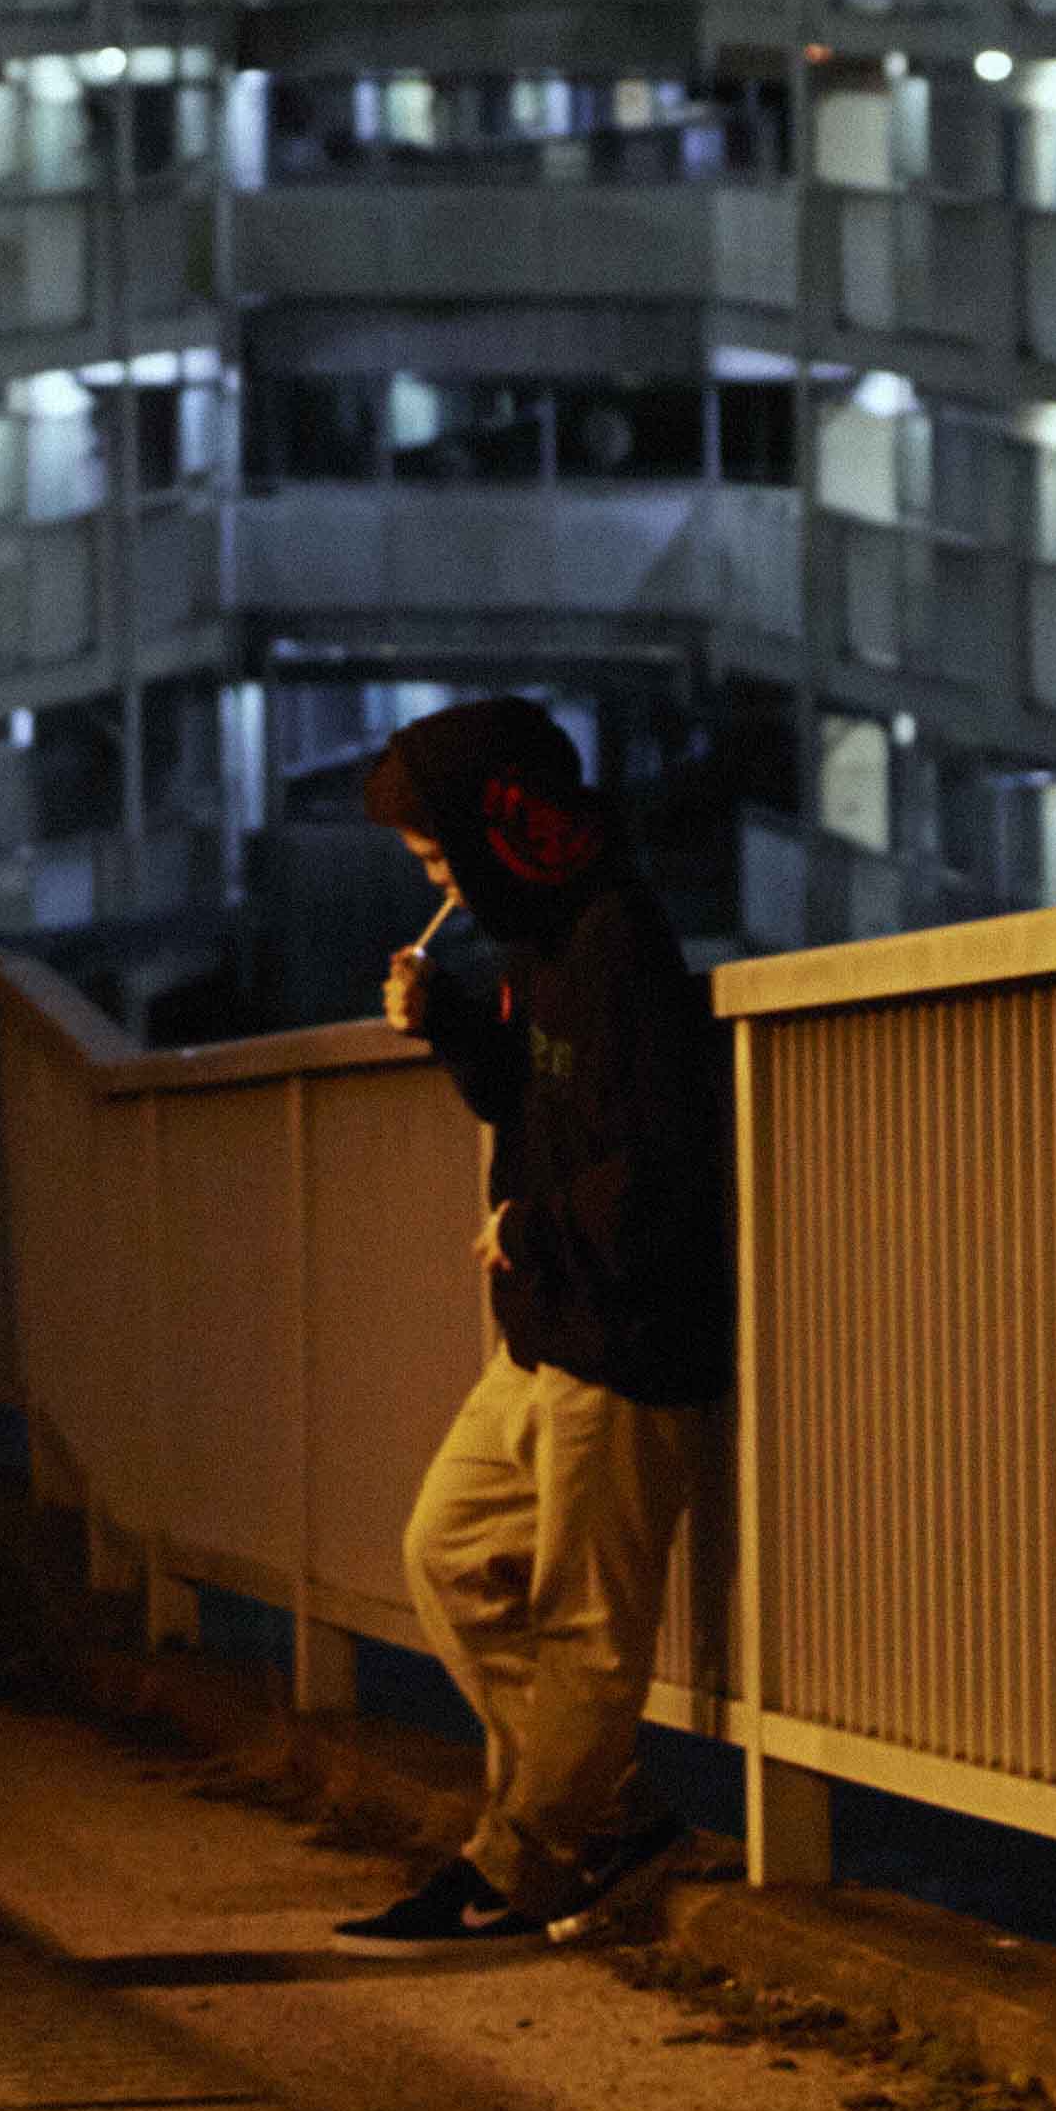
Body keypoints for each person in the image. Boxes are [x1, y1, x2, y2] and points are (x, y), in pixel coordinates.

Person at [327, 697, 732, 1956]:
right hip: (551, 1330)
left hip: (621, 1338)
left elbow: (659, 1162)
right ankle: (600, 1820)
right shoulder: (548, 942)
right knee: (447, 1554)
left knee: (587, 1627)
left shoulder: (619, 944)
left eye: (444, 862)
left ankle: (524, 1857)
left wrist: (539, 1227)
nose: (443, 886)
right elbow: (536, 1097)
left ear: (504, 834)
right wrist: (454, 1022)